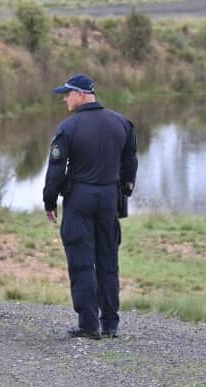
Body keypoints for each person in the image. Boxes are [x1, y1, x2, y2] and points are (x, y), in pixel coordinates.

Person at [43, 73, 138, 340]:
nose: (65, 99)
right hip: (109, 198)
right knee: (108, 260)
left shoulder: (68, 128)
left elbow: (56, 171)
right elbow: (130, 164)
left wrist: (49, 201)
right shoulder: (122, 123)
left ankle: (88, 324)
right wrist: (124, 193)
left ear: (82, 94)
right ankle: (110, 323)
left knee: (82, 261)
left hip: (80, 200)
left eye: (68, 94)